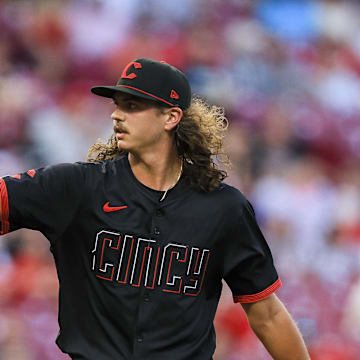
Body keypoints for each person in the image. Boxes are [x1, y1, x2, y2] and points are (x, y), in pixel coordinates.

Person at [0, 58, 310, 360]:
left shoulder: (224, 208)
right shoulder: (77, 187)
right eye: (117, 105)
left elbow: (266, 314)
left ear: (171, 117)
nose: (117, 116)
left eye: (132, 106)